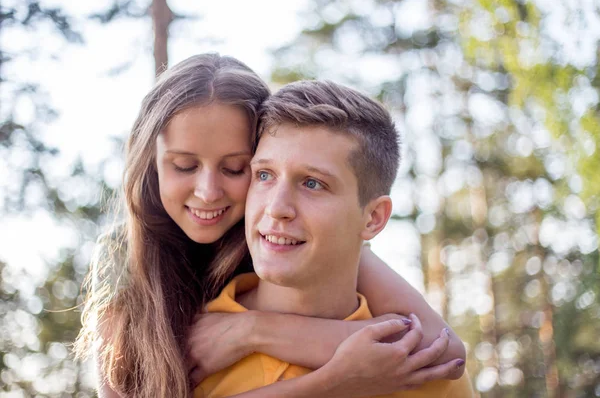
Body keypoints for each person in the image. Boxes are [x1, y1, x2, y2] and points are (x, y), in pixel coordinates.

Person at [75, 53, 465, 398]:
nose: (209, 192)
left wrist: (251, 331)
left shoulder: (295, 238)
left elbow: (442, 351)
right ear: (150, 164)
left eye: (235, 168)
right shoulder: (125, 251)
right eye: (184, 166)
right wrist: (334, 383)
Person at [195, 80, 473, 398]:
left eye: (312, 183)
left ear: (373, 218)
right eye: (264, 175)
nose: (276, 208)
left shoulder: (425, 373)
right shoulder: (184, 346)